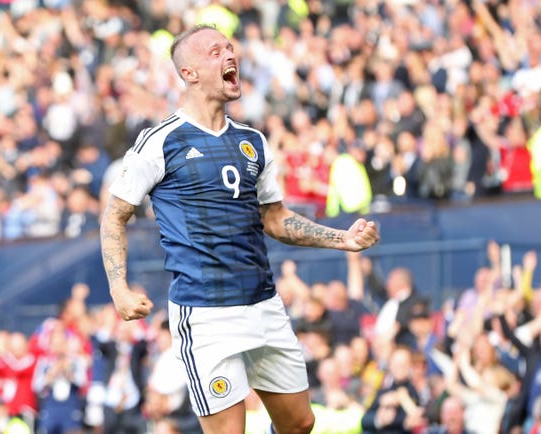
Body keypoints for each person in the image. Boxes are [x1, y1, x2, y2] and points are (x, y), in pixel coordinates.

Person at [100, 24, 380, 434]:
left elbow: (275, 217)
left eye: (230, 48)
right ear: (190, 73)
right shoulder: (160, 141)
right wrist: (118, 287)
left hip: (263, 303)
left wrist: (343, 239)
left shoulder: (254, 142)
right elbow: (114, 215)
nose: (231, 55)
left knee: (300, 423)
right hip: (206, 314)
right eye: (215, 51)